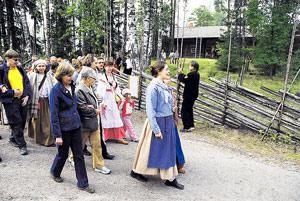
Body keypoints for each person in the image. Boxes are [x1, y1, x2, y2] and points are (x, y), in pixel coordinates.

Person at [131, 61, 184, 190]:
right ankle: (137, 171)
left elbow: (165, 103)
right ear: (159, 71)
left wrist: (172, 109)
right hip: (157, 122)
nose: (168, 71)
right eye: (166, 69)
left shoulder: (164, 86)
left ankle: (169, 178)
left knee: (168, 149)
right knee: (148, 149)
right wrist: (156, 129)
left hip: (167, 121)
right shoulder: (153, 87)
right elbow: (150, 110)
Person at [49, 62, 94, 193]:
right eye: (67, 75)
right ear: (60, 75)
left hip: (75, 126)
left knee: (79, 155)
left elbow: (74, 105)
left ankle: (83, 184)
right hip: (63, 129)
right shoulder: (55, 91)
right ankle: (54, 172)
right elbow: (54, 114)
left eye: (72, 74)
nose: (71, 77)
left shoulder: (73, 87)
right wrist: (57, 135)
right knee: (62, 154)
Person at [75, 68, 111, 174]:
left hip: (93, 121)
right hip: (85, 122)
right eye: (93, 78)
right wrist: (94, 111)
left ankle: (99, 165)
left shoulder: (89, 87)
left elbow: (91, 101)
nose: (95, 80)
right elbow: (81, 107)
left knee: (97, 144)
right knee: (80, 144)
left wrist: (98, 100)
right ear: (87, 78)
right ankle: (72, 158)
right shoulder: (79, 89)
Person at [0, 49, 31, 155]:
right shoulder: (1, 70)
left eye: (18, 59)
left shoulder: (19, 68)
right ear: (8, 59)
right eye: (15, 60)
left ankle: (14, 138)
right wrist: (12, 92)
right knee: (16, 123)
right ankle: (22, 145)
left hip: (22, 100)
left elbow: (26, 82)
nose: (17, 61)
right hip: (10, 101)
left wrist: (26, 95)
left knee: (22, 121)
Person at [27, 59, 54, 146]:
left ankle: (47, 140)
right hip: (36, 101)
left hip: (46, 100)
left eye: (43, 66)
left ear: (46, 67)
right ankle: (38, 138)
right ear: (36, 67)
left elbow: (53, 86)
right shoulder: (32, 76)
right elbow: (29, 88)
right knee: (36, 120)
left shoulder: (49, 76)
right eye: (39, 66)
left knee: (48, 120)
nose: (41, 68)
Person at [100, 61, 128, 145]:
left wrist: (120, 96)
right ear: (105, 67)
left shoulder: (114, 77)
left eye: (111, 66)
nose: (109, 68)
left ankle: (118, 137)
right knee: (106, 117)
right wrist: (102, 101)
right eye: (107, 66)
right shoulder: (101, 77)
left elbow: (117, 89)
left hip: (112, 97)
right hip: (105, 97)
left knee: (115, 116)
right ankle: (105, 137)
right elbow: (100, 90)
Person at [95, 57, 115, 160]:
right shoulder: (96, 74)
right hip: (95, 104)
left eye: (103, 63)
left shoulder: (104, 75)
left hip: (100, 102)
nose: (101, 64)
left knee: (99, 130)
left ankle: (103, 152)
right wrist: (101, 102)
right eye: (100, 63)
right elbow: (97, 90)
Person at [165, 79, 186, 174]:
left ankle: (179, 163)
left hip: (170, 120)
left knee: (175, 142)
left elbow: (174, 106)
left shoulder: (171, 92)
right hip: (160, 120)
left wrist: (175, 114)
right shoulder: (156, 89)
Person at [178, 61, 200, 133]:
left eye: (190, 65)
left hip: (188, 96)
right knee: (189, 110)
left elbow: (183, 79)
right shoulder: (196, 74)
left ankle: (186, 127)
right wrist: (182, 74)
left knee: (184, 111)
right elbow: (187, 78)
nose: (189, 67)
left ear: (193, 67)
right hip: (193, 96)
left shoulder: (191, 75)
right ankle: (191, 125)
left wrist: (180, 73)